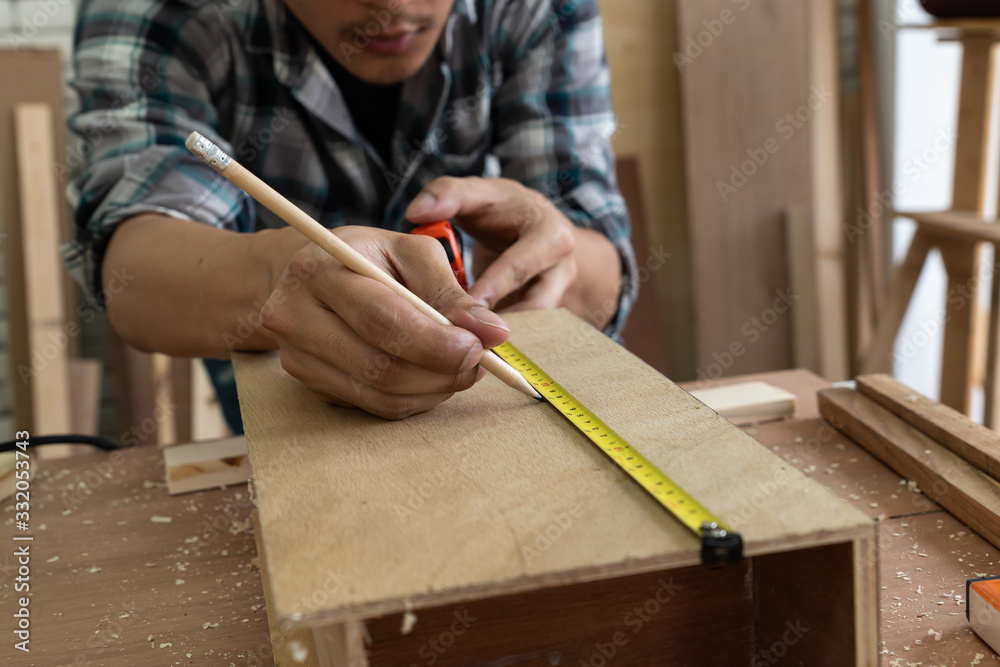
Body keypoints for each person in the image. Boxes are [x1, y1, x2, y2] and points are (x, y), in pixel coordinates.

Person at [62, 0, 638, 423]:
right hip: (283, 420)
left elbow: (600, 266)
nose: (394, 6)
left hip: (489, 410)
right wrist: (280, 277)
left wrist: (542, 260)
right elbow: (131, 275)